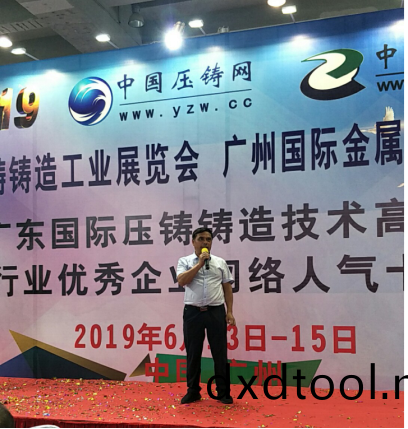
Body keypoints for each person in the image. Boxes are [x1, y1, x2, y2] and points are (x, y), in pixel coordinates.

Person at [177, 227, 236, 405]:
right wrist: (199, 264)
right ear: (193, 241)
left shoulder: (220, 262)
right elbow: (182, 281)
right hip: (192, 312)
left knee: (220, 353)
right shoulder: (185, 261)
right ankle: (193, 391)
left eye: (208, 239)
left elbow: (227, 288)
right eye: (201, 239)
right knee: (193, 353)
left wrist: (229, 311)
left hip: (215, 311)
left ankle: (223, 392)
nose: (205, 242)